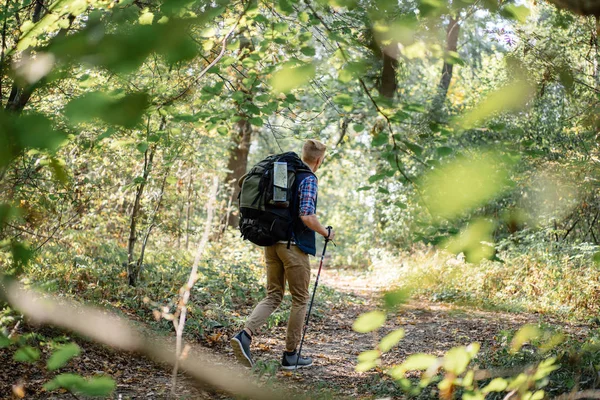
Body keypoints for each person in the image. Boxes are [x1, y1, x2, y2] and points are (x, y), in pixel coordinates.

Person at [230, 139, 336, 370]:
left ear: (303, 154)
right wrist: (325, 232)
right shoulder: (307, 178)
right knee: (299, 298)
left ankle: (244, 335)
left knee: (274, 295)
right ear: (319, 160)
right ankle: (290, 355)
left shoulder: (282, 174)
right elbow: (307, 216)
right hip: (293, 246)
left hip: (271, 242)